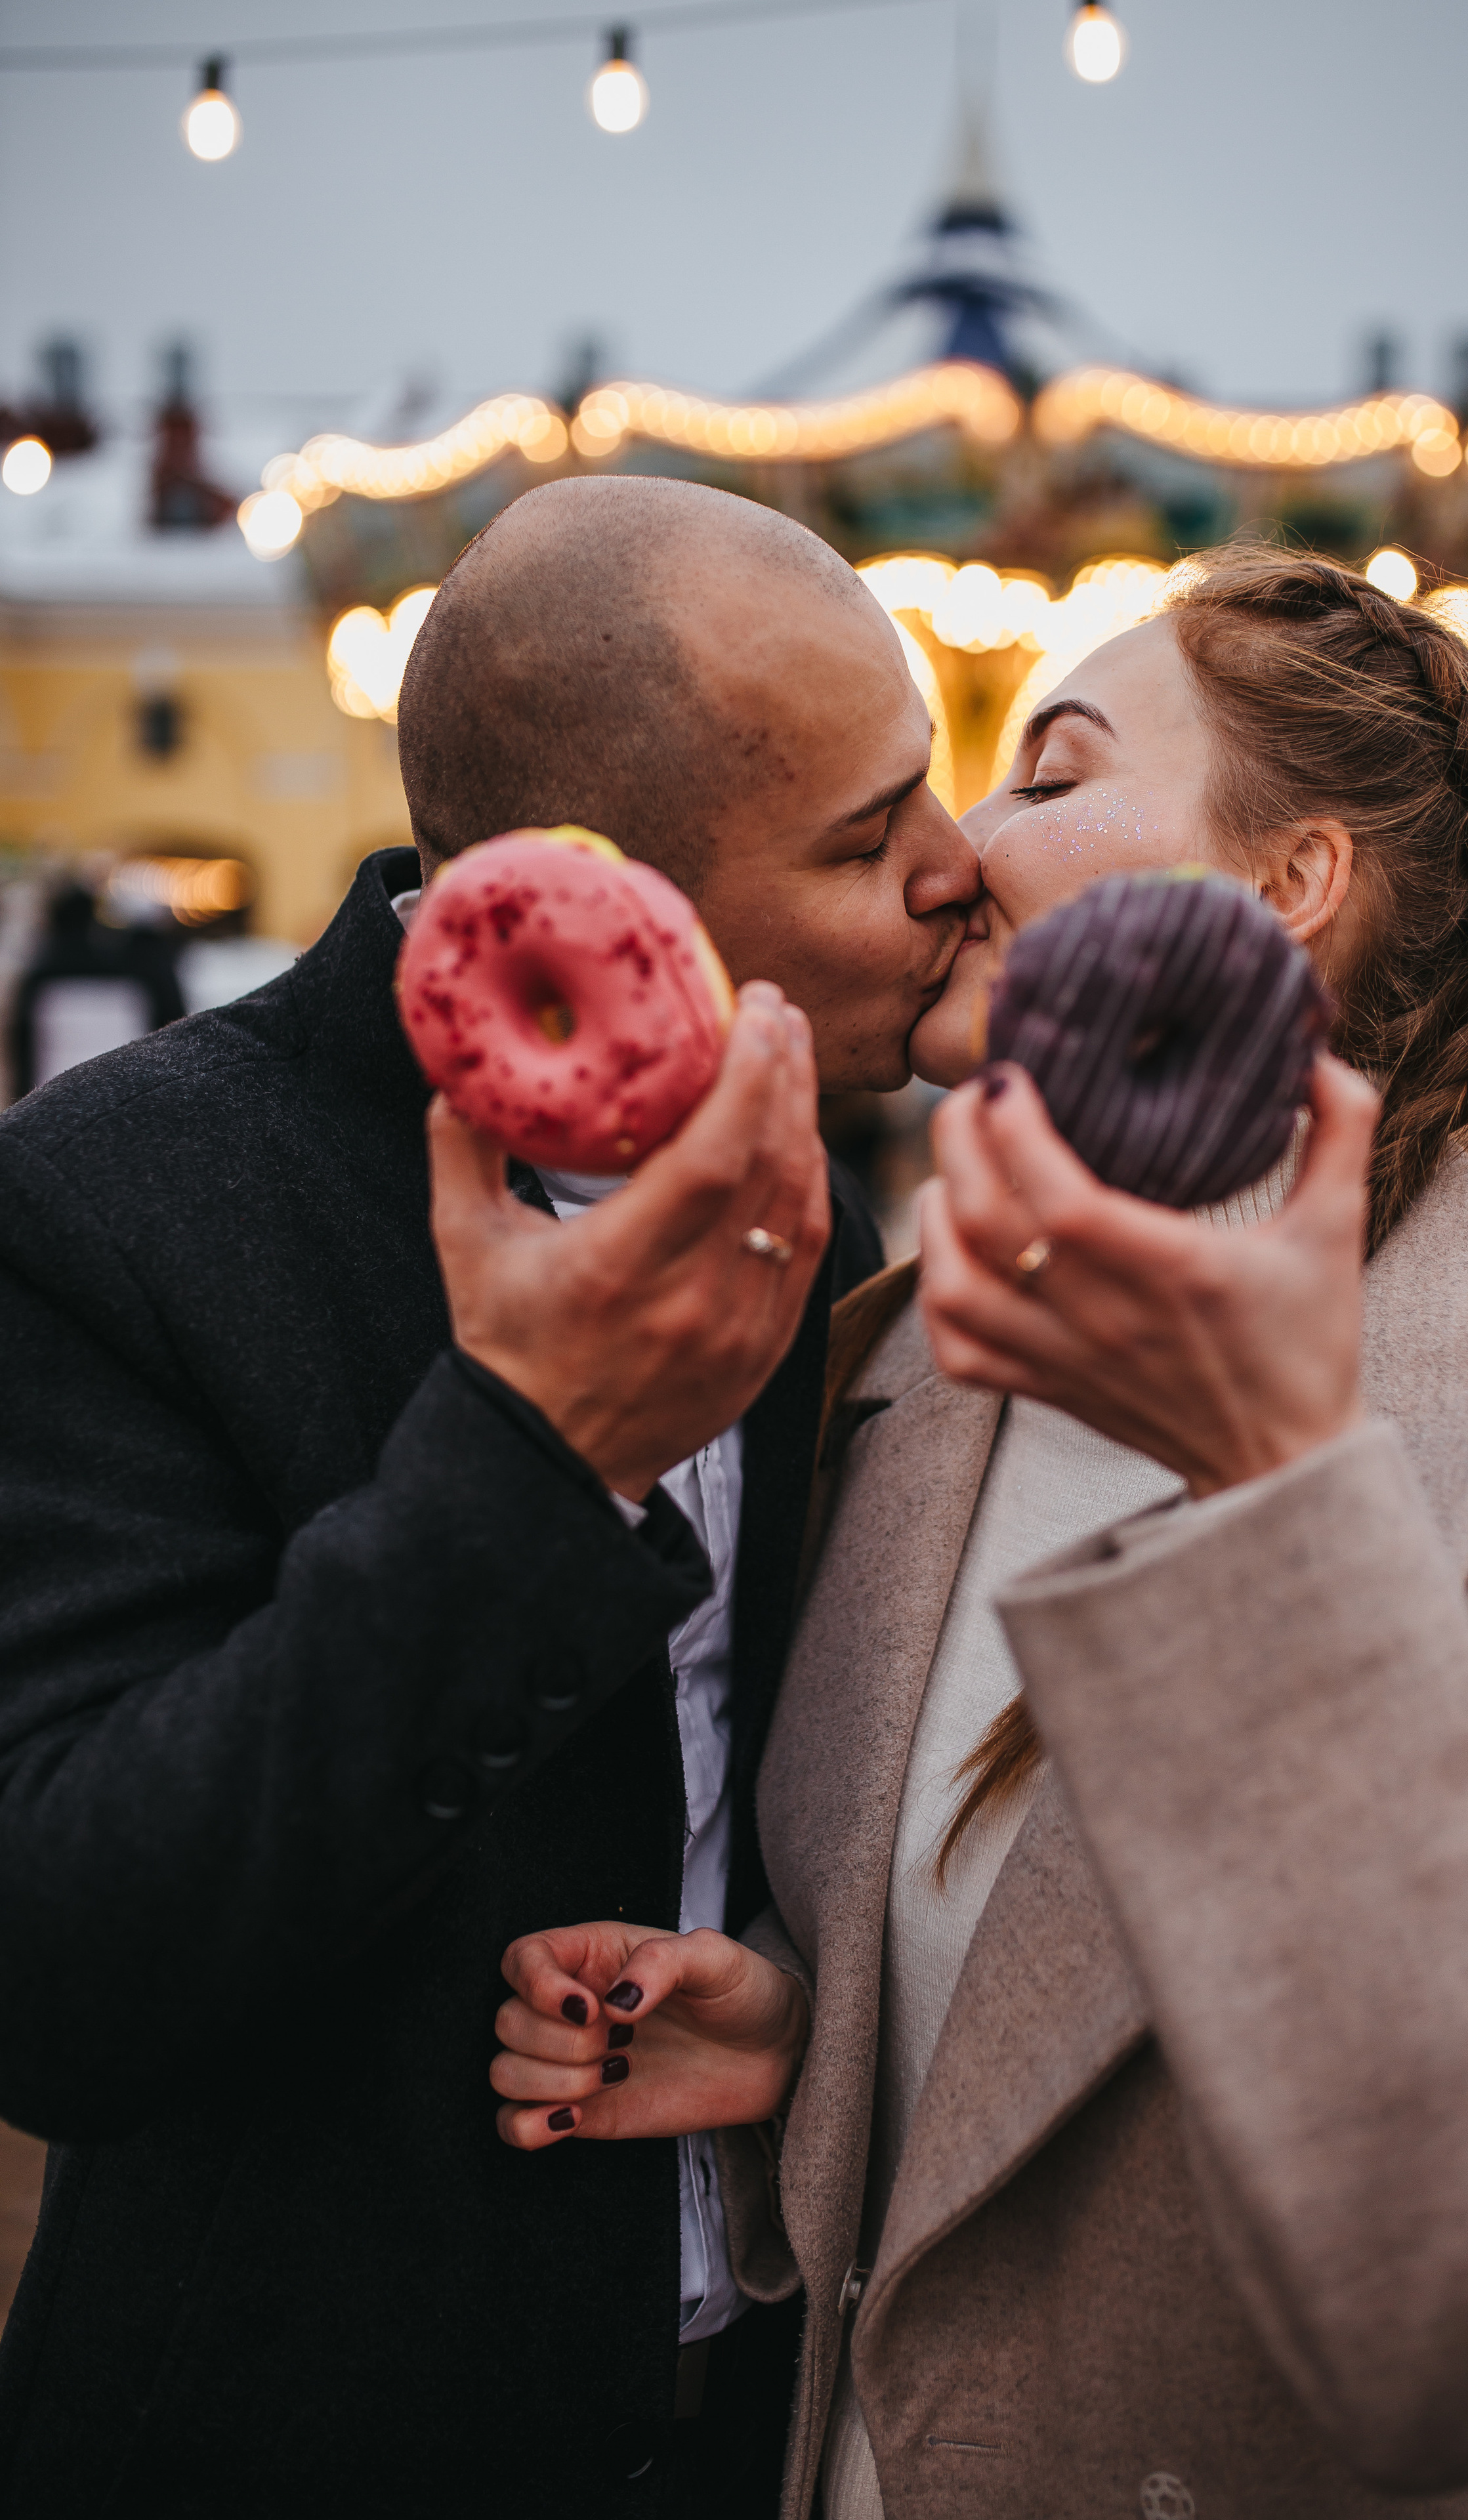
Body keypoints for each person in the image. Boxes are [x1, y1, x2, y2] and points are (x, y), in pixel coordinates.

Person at [488, 546, 1468, 2518]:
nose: (956, 847)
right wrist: (818, 2023)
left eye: (1049, 773)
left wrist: (1285, 1518)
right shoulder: (901, 1375)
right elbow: (1021, 2016)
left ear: (1290, 885)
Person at [0, 476, 979, 2518]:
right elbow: (63, 1976)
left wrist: (790, 2008)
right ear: (582, 904)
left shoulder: (816, 1180)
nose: (954, 871)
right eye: (866, 835)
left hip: (752, 2432)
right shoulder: (120, 1201)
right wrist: (535, 1462)